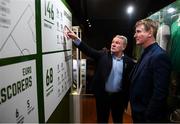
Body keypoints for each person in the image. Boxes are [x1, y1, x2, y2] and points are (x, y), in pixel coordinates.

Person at [66, 29, 135, 123]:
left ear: (124, 46)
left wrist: (127, 100)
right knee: (102, 120)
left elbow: (129, 82)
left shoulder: (129, 62)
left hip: (118, 98)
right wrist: (76, 39)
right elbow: (88, 50)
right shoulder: (103, 55)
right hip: (103, 96)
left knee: (118, 120)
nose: (113, 44)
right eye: (113, 42)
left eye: (117, 43)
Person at [130, 18, 172, 122]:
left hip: (147, 117)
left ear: (150, 32)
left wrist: (148, 116)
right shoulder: (146, 52)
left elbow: (160, 93)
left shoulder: (159, 56)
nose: (135, 35)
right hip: (139, 112)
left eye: (138, 31)